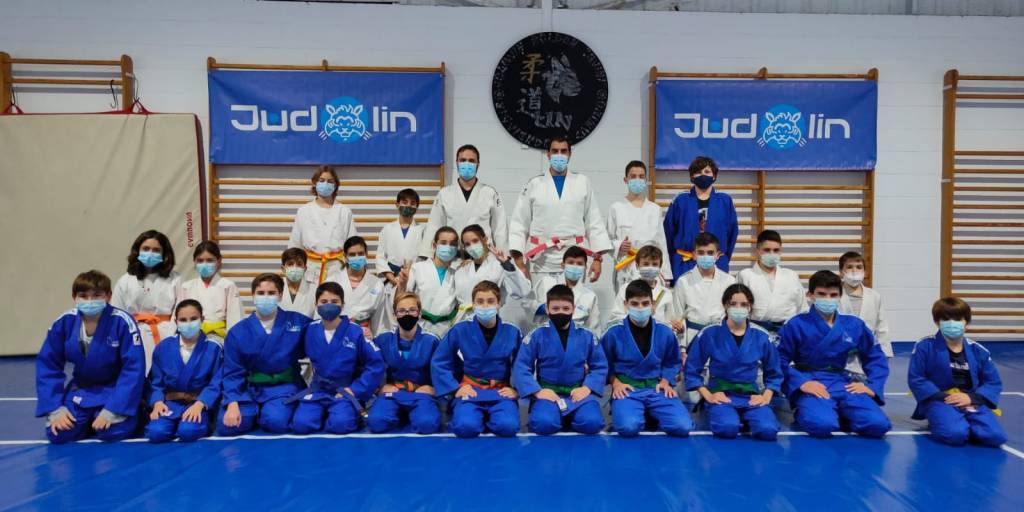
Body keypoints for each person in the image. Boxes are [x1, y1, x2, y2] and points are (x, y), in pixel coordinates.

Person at [777, 270, 891, 439]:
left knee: (878, 425)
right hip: (811, 381)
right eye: (822, 294)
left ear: (840, 296)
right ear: (810, 295)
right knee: (822, 425)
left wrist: (871, 386)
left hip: (842, 382)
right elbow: (778, 360)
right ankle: (807, 409)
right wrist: (801, 383)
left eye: (833, 295)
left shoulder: (854, 324)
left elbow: (875, 357)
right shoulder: (796, 324)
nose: (828, 299)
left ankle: (841, 412)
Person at [36, 270, 145, 443]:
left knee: (111, 433)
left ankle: (132, 410)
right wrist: (55, 408)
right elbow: (48, 365)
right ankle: (87, 419)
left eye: (97, 296)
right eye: (83, 296)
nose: (90, 301)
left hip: (115, 389)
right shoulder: (64, 322)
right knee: (59, 434)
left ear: (108, 296)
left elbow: (133, 368)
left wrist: (114, 410)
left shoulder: (122, 322)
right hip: (82, 388)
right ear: (74, 297)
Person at [217, 273, 312, 436]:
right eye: (260, 293)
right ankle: (255, 413)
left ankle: (266, 413)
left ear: (280, 295)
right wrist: (232, 402)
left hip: (284, 387)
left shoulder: (297, 323)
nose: (265, 297)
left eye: (271, 293)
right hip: (249, 389)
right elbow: (232, 372)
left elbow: (323, 335)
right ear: (253, 296)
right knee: (227, 426)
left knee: (276, 422)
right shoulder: (237, 332)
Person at [509, 135, 612, 284]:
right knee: (541, 298)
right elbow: (519, 222)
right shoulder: (534, 184)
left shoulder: (582, 182)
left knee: (574, 298)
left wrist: (597, 259)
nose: (559, 155)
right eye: (555, 151)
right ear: (548, 154)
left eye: (563, 151)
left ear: (570, 154)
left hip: (574, 258)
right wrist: (519, 261)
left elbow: (594, 221)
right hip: (541, 259)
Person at [684, 284, 782, 440]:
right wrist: (708, 395)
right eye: (733, 304)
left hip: (751, 396)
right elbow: (691, 369)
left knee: (768, 430)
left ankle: (748, 417)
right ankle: (728, 415)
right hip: (720, 394)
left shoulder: (762, 335)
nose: (738, 308)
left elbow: (774, 372)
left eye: (744, 304)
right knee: (727, 428)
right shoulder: (710, 332)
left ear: (750, 307)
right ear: (725, 305)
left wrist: (766, 396)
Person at [908, 297, 1006, 447]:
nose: (952, 323)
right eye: (946, 319)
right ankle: (947, 419)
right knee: (955, 434)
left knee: (995, 437)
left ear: (967, 322)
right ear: (937, 322)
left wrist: (971, 398)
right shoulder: (924, 346)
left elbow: (992, 382)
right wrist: (947, 397)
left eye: (958, 319)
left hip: (970, 400)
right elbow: (917, 378)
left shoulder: (978, 350)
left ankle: (963, 420)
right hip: (940, 400)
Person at [290, 282, 385, 435]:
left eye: (334, 301)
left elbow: (376, 363)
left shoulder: (355, 331)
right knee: (301, 425)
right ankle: (323, 413)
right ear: (316, 304)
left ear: (343, 304)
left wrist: (356, 389)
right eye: (324, 301)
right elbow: (289, 351)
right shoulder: (309, 330)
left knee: (341, 425)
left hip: (346, 390)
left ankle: (341, 413)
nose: (329, 305)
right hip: (318, 389)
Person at [601, 280, 692, 437]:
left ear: (653, 305)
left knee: (683, 426)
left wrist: (666, 380)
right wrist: (615, 383)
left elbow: (672, 362)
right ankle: (634, 411)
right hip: (627, 389)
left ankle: (650, 411)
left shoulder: (665, 332)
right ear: (625, 305)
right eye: (634, 304)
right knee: (628, 427)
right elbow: (603, 363)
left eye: (645, 303)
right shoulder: (613, 332)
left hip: (657, 388)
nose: (640, 308)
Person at [431, 281, 522, 438]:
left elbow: (522, 364)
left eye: (490, 301)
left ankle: (492, 416)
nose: (485, 306)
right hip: (471, 389)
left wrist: (516, 389)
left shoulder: (512, 331)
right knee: (465, 427)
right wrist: (455, 388)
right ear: (473, 304)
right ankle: (472, 415)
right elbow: (440, 361)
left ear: (499, 304)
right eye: (480, 301)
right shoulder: (460, 329)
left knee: (508, 427)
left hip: (500, 392)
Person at [513, 285, 607, 435]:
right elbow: (522, 366)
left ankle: (571, 415)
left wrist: (587, 388)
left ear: (573, 309)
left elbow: (599, 366)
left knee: (592, 423)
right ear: (547, 309)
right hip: (548, 393)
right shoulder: (537, 335)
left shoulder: (587, 335)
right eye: (555, 308)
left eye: (566, 308)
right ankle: (559, 415)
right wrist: (538, 391)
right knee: (544, 425)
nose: (561, 312)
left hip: (577, 393)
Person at [145, 299, 223, 443]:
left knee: (188, 431)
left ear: (202, 319)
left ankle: (203, 421)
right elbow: (155, 382)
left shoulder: (214, 348)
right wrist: (157, 402)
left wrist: (200, 404)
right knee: (156, 433)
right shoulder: (164, 347)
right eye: (183, 320)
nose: (188, 323)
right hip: (170, 403)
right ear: (176, 322)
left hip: (198, 403)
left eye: (193, 319)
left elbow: (216, 383)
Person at [367, 292, 443, 434]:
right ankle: (396, 413)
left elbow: (445, 368)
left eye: (412, 310)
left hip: (421, 393)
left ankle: (414, 414)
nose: (407, 314)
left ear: (419, 313)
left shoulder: (431, 340)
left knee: (427, 424)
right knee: (376, 422)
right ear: (394, 315)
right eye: (401, 311)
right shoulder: (383, 339)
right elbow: (370, 367)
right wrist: (379, 388)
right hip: (393, 392)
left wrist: (435, 389)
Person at [111, 229, 183, 371]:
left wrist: (172, 333)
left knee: (164, 373)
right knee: (137, 372)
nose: (150, 253)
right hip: (134, 335)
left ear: (164, 254)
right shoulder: (125, 280)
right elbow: (117, 314)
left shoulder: (176, 279)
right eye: (146, 248)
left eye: (156, 250)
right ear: (137, 251)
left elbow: (181, 311)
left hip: (166, 334)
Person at [419, 144, 508, 258]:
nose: (467, 164)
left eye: (471, 161)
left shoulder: (490, 193)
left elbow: (500, 227)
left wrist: (503, 254)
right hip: (453, 257)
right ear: (457, 163)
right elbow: (434, 225)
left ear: (478, 164)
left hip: (483, 257)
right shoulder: (444, 193)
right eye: (463, 160)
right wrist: (427, 254)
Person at [663, 155, 738, 284]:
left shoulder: (725, 200)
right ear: (692, 177)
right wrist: (674, 257)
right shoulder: (680, 200)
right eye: (698, 172)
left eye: (707, 171)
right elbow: (668, 232)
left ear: (714, 176)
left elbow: (732, 232)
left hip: (716, 262)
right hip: (685, 261)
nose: (703, 175)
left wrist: (720, 255)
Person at [607, 160, 671, 293]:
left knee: (650, 301)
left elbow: (661, 243)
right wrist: (619, 245)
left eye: (641, 177)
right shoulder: (616, 208)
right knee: (626, 301)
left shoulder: (655, 209)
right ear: (626, 180)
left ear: (646, 180)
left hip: (650, 266)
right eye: (633, 176)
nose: (637, 180)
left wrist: (666, 274)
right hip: (626, 266)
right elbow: (607, 240)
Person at [288, 165, 358, 284]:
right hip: (310, 268)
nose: (325, 184)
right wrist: (294, 271)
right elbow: (295, 245)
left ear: (335, 185)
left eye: (330, 181)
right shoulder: (304, 211)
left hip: (337, 268)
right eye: (321, 180)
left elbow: (353, 245)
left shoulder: (344, 211)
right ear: (315, 183)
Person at [452, 224, 532, 324]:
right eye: (467, 244)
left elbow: (522, 291)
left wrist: (506, 264)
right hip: (464, 322)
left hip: (489, 319)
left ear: (485, 240)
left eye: (475, 241)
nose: (472, 246)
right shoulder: (462, 269)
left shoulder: (499, 265)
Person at [737, 229, 807, 340]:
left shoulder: (791, 276)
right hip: (755, 332)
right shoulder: (745, 275)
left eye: (776, 250)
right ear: (757, 251)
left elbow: (802, 308)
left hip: (787, 333)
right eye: (767, 250)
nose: (772, 254)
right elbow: (737, 308)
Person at [672, 233, 737, 349]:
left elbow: (733, 315)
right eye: (701, 253)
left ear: (718, 255)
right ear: (694, 255)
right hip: (693, 337)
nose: (705, 256)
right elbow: (678, 317)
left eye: (710, 253)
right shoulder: (683, 281)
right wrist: (682, 348)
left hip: (720, 336)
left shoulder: (729, 281)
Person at [376, 188, 426, 330]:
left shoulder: (423, 230)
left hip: (414, 278)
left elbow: (425, 258)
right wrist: (392, 278)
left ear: (417, 207)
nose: (408, 206)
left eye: (412, 203)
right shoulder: (387, 229)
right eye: (404, 202)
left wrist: (410, 275)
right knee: (392, 317)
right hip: (392, 279)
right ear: (397, 204)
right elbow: (380, 256)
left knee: (412, 314)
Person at [398, 227, 460, 337]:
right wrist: (402, 284)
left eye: (452, 244)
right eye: (443, 243)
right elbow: (402, 300)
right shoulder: (417, 268)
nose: (448, 247)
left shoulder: (458, 272)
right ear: (434, 245)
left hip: (447, 329)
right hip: (420, 326)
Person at [178, 240, 242, 342]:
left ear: (219, 261)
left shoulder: (227, 285)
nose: (205, 264)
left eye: (209, 260)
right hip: (191, 336)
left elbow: (235, 318)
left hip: (219, 337)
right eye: (200, 260)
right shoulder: (186, 287)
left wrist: (233, 343)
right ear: (194, 262)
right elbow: (178, 315)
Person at [528, 246, 600, 332]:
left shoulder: (590, 296)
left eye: (579, 263)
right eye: (571, 262)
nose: (575, 266)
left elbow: (594, 328)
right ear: (562, 265)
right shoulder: (546, 282)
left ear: (585, 267)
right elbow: (527, 303)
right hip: (547, 334)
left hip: (575, 337)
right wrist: (540, 308)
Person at [607, 245, 677, 331]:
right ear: (637, 265)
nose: (650, 268)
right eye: (646, 264)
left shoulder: (666, 293)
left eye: (655, 264)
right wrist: (635, 317)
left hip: (656, 336)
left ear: (660, 267)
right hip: (630, 334)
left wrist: (677, 329)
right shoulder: (625, 289)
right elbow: (615, 318)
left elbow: (670, 323)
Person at [838, 251, 892, 360]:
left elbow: (882, 327)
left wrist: (884, 353)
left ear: (865, 272)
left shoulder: (874, 296)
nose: (854, 271)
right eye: (849, 267)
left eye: (859, 267)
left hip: (868, 353)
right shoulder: (834, 295)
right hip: (840, 353)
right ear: (841, 272)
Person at [329, 236, 386, 337]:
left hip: (363, 336)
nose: (357, 257)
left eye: (360, 254)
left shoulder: (377, 284)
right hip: (335, 334)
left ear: (366, 255)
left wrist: (374, 338)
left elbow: (380, 321)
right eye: (352, 254)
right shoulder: (332, 281)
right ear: (345, 257)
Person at [279, 248, 316, 318]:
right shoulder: (275, 287)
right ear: (283, 268)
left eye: (299, 264)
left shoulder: (314, 290)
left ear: (305, 268)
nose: (295, 267)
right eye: (290, 264)